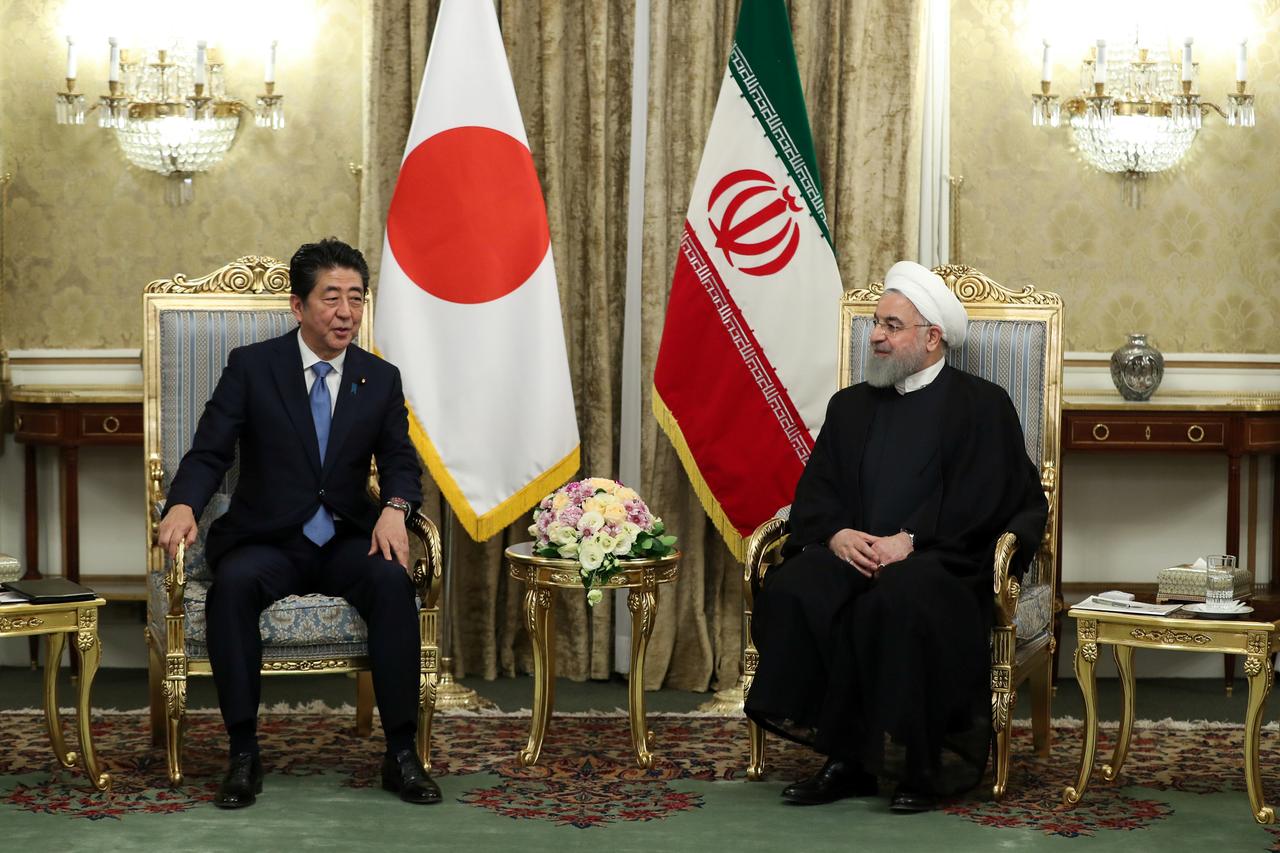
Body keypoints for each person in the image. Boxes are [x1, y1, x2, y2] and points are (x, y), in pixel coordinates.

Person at [744, 261, 1048, 813]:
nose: (876, 336)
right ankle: (846, 760)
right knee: (799, 587)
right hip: (854, 553)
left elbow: (995, 500)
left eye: (891, 326)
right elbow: (816, 492)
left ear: (932, 338)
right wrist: (837, 536)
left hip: (942, 559)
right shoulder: (850, 406)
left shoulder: (982, 406)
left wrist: (911, 539)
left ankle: (921, 764)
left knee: (901, 600)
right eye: (875, 325)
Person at [155, 238, 438, 809]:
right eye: (331, 298)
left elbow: (402, 463)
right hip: (268, 538)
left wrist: (394, 509)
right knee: (231, 588)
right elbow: (210, 452)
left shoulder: (378, 378)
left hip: (344, 537)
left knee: (390, 582)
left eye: (356, 299)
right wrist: (182, 504)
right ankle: (243, 754)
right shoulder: (253, 368)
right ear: (299, 306)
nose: (346, 313)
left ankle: (402, 753)